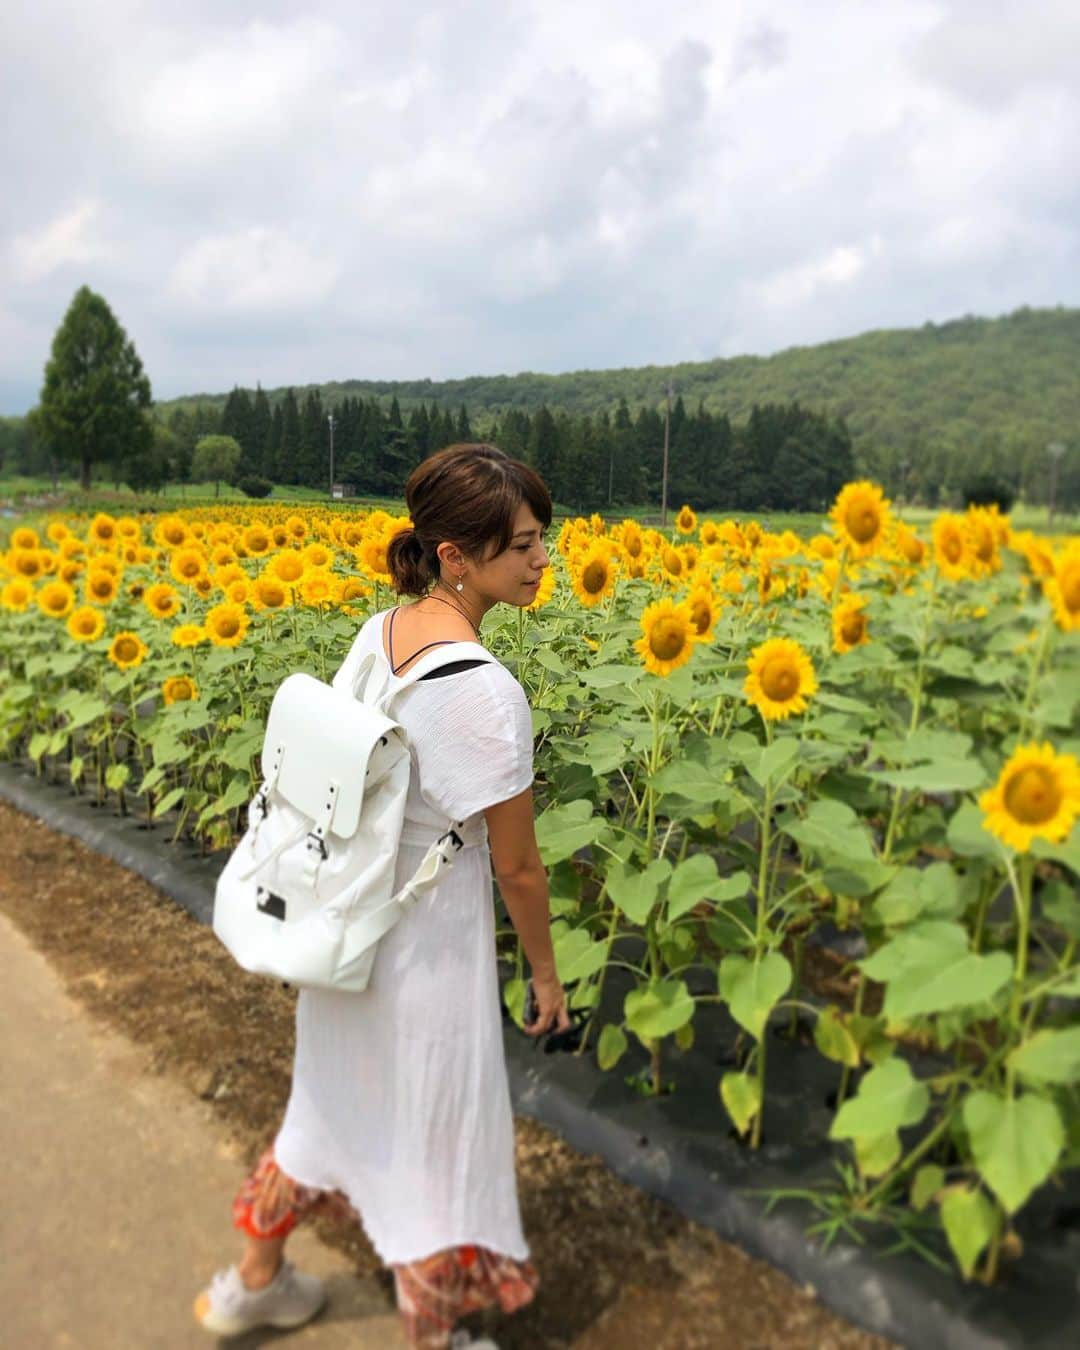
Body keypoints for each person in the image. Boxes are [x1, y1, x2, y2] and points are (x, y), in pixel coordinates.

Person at [194, 443, 572, 1350]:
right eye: (520, 544)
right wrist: (548, 981)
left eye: (542, 540)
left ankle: (250, 1286)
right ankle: (434, 1339)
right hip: (427, 949)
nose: (541, 561)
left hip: (349, 924)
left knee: (325, 1108)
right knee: (439, 1142)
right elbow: (518, 868)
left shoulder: (381, 632)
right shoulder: (487, 692)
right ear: (455, 555)